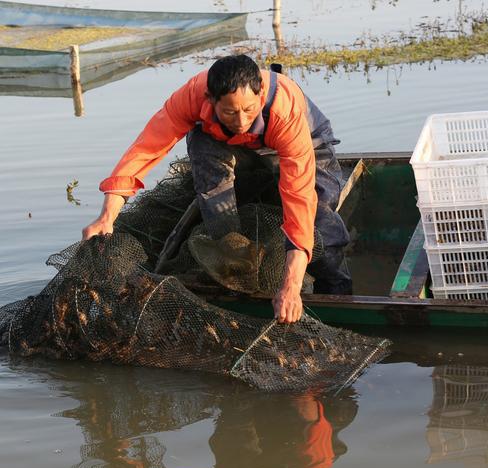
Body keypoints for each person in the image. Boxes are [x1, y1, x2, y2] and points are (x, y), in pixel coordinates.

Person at [82, 55, 351, 324]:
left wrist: (291, 287)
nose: (242, 120)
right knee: (204, 154)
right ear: (210, 100)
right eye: (230, 112)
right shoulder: (191, 96)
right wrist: (107, 216)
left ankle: (336, 292)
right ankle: (235, 269)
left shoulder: (284, 110)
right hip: (228, 145)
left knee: (320, 218)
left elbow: (299, 197)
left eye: (248, 109)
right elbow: (147, 148)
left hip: (307, 144)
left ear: (259, 94)